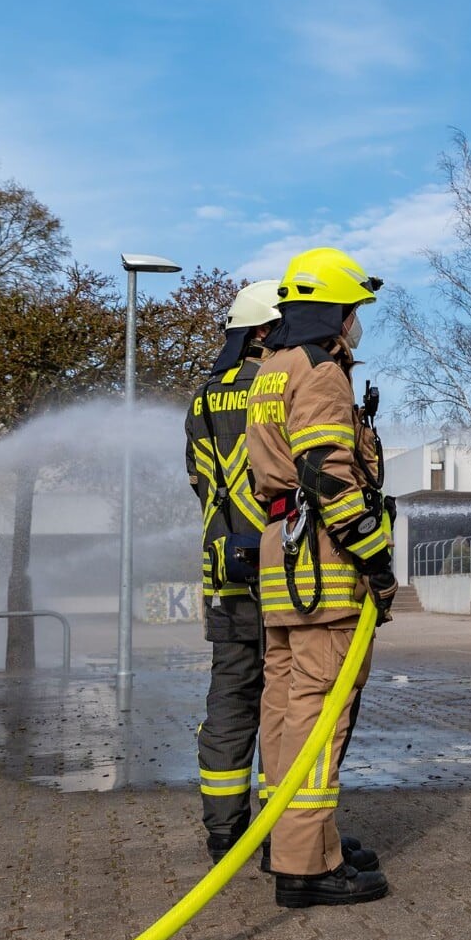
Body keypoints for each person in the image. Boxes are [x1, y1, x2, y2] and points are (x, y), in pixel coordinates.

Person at [246, 247, 395, 907]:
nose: (357, 323)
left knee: (283, 703)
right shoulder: (320, 371)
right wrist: (377, 563)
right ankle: (306, 867)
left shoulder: (270, 369)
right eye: (355, 310)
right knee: (319, 710)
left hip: (281, 552)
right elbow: (328, 475)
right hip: (324, 563)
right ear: (335, 310)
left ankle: (286, 839)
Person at [186, 279, 282, 862]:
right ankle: (283, 834)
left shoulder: (202, 398)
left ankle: (224, 832)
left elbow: (199, 481)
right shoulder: (277, 388)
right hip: (283, 572)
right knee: (285, 704)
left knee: (229, 700)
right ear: (265, 331)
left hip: (223, 575)